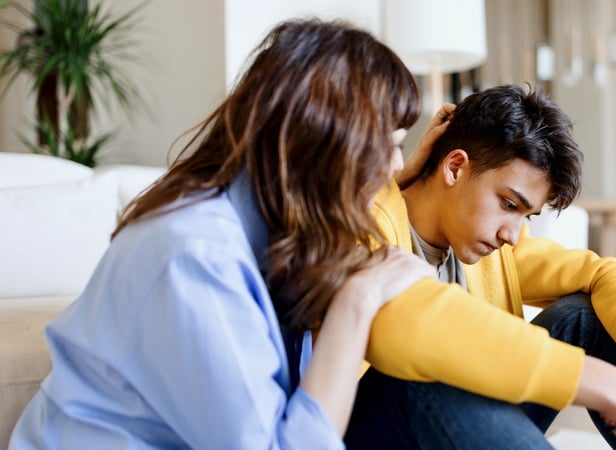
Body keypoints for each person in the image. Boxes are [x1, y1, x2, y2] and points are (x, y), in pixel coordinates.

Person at [8, 18, 436, 449]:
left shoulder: (277, 234)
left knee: (426, 384)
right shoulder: (194, 254)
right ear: (324, 141)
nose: (396, 165)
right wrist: (356, 303)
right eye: (388, 142)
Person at [346, 85, 616, 449]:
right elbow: (418, 330)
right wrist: (614, 390)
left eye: (526, 214)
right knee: (430, 367)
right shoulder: (364, 229)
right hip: (377, 429)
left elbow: (604, 274)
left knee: (584, 316)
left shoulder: (492, 250)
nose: (512, 234)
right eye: (509, 204)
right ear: (455, 167)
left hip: (463, 425)